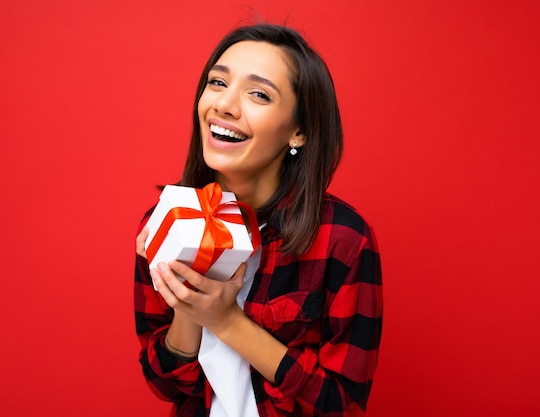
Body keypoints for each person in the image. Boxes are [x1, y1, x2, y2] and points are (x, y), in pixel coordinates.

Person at [134, 23, 383, 417]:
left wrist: (227, 321)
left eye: (258, 94)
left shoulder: (343, 239)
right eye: (217, 83)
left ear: (298, 131)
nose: (224, 105)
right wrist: (186, 304)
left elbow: (342, 404)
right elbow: (167, 384)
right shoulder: (167, 218)